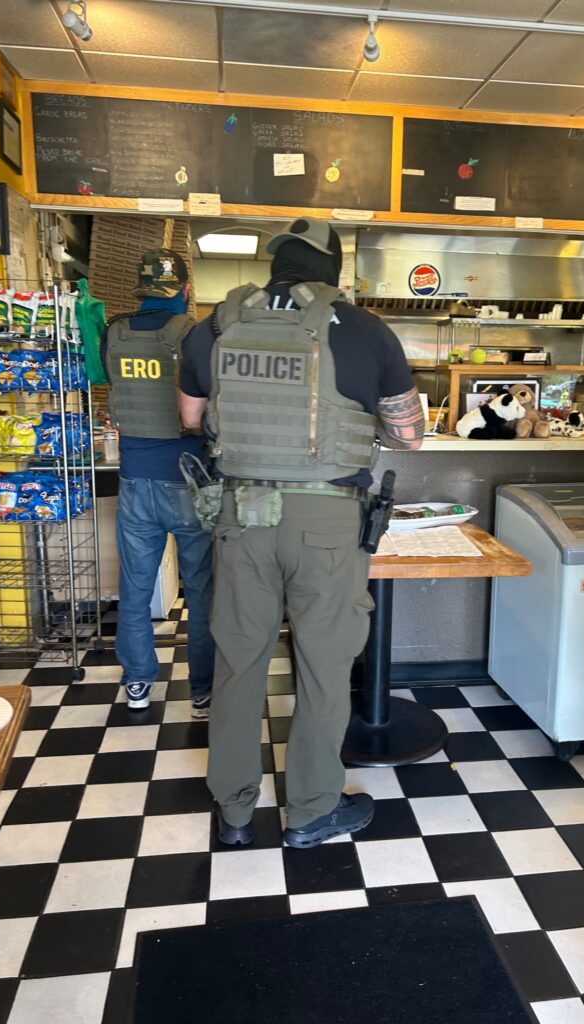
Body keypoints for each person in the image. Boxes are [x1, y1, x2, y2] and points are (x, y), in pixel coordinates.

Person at [179, 217, 424, 848]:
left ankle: (234, 813)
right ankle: (311, 811)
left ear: (275, 263)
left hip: (241, 518)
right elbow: (408, 435)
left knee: (239, 664)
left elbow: (190, 417)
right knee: (322, 666)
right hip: (328, 524)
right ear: (333, 269)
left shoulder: (214, 326)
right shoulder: (367, 330)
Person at [102, 249, 215, 716]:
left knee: (135, 587)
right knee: (204, 590)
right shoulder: (195, 334)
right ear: (185, 290)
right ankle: (203, 692)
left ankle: (138, 685)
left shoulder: (115, 332)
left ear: (141, 289)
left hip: (135, 479)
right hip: (190, 479)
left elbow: (111, 386)